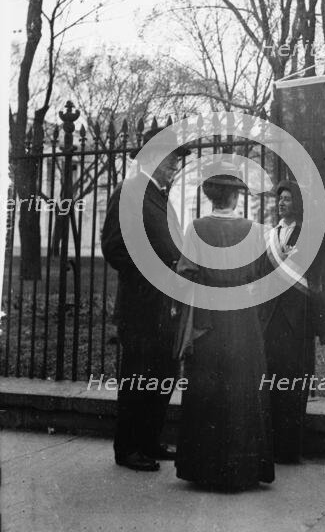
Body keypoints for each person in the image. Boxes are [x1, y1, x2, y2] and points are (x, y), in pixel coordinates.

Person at [174, 159, 275, 491]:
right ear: (235, 196)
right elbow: (264, 279)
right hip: (243, 322)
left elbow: (184, 276)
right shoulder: (256, 231)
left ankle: (204, 468)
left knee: (206, 391)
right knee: (243, 391)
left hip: (208, 321)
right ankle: (242, 469)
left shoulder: (195, 229)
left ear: (210, 196)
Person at [101, 127, 190, 472]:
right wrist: (160, 268)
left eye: (177, 162)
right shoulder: (129, 192)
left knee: (163, 374)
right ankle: (129, 449)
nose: (174, 168)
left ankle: (149, 441)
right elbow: (113, 247)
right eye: (170, 160)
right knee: (139, 377)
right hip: (141, 306)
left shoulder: (159, 197)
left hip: (165, 306)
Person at [261, 179, 317, 464]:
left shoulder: (310, 235)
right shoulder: (270, 235)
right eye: (280, 198)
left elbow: (316, 277)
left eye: (288, 199)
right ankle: (269, 445)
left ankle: (290, 449)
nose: (282, 203)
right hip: (271, 321)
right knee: (271, 382)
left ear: (299, 204)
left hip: (297, 323)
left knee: (294, 385)